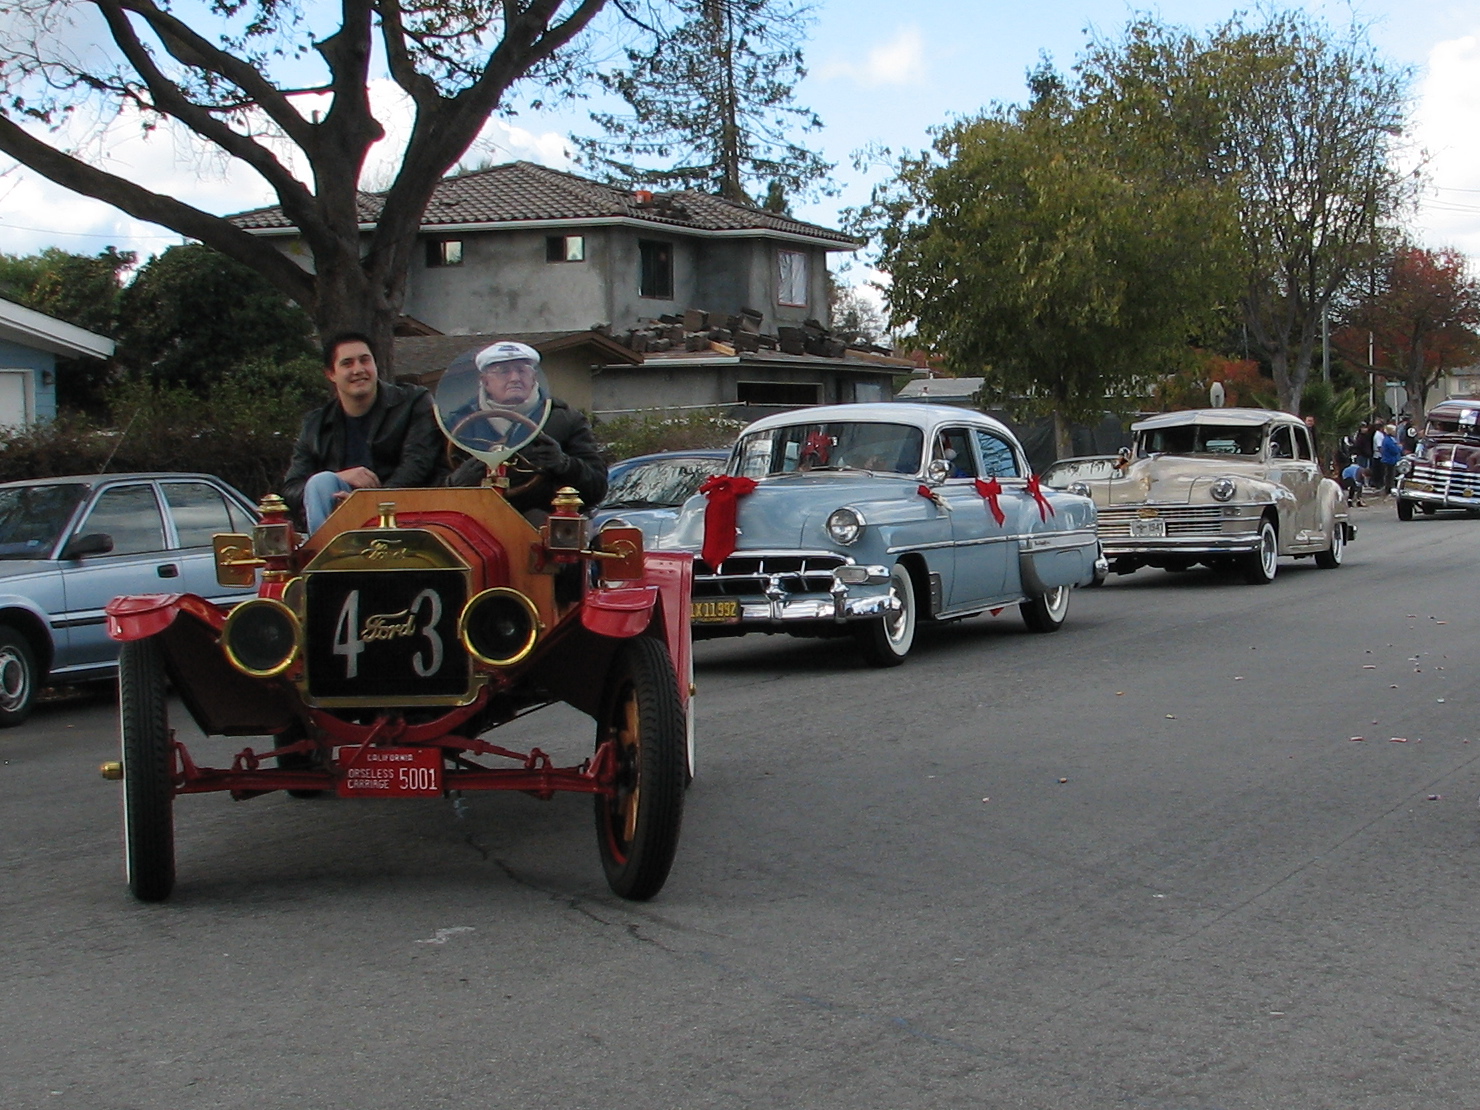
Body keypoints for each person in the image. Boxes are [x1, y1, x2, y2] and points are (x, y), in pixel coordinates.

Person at [281, 331, 445, 533]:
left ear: (375, 365)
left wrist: (363, 505)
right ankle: (325, 558)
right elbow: (291, 490)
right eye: (347, 363)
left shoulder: (414, 403)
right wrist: (338, 478)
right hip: (339, 524)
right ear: (330, 374)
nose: (358, 369)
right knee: (321, 482)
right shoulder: (316, 425)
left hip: (409, 520)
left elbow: (417, 466)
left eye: (364, 360)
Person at [444, 341, 607, 514]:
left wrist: (565, 464)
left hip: (544, 523)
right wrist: (456, 482)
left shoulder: (565, 419)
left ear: (533, 377)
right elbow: (429, 490)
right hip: (474, 518)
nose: (515, 378)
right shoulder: (457, 424)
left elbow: (597, 489)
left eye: (522, 370)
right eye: (503, 371)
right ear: (485, 381)